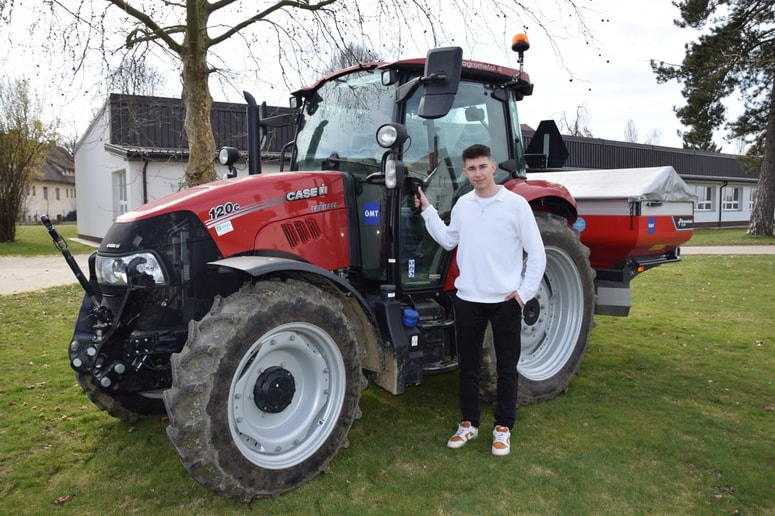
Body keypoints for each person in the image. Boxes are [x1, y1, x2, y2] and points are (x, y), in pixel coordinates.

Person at [415, 144, 546, 456]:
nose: (477, 174)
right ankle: (469, 424)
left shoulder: (515, 205)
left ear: (493, 166)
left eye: (482, 167)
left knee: (507, 367)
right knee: (469, 366)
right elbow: (449, 239)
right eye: (471, 169)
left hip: (505, 301)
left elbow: (537, 254)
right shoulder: (463, 204)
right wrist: (428, 211)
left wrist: (524, 294)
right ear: (465, 171)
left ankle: (503, 428)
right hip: (468, 299)